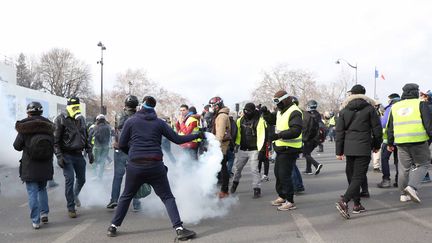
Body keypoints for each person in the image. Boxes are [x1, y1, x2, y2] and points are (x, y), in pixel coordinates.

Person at [107, 96, 204, 241]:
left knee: (126, 196)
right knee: (167, 197)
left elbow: (121, 144)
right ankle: (179, 229)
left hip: (135, 166)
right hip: (155, 165)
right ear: (154, 108)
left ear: (141, 106)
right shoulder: (159, 123)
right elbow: (177, 139)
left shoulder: (131, 121)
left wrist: (133, 154)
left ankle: (113, 227)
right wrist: (197, 135)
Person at [335, 84, 382, 219]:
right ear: (364, 94)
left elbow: (339, 132)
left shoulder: (344, 110)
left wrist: (339, 151)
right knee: (358, 176)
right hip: (363, 146)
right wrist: (376, 145)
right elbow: (377, 130)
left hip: (349, 148)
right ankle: (345, 201)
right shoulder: (370, 109)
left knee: (351, 174)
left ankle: (357, 204)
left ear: (352, 94)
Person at [387, 83, 432, 203]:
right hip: (419, 141)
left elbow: (390, 127)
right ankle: (412, 187)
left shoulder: (395, 107)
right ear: (416, 92)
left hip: (401, 142)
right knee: (424, 164)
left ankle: (403, 194)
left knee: (404, 169)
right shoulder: (421, 104)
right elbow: (428, 124)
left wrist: (390, 143)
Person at [13, 102, 54, 229]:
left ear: (28, 112)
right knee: (42, 189)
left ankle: (36, 221)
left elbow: (17, 146)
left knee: (32, 192)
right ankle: (44, 213)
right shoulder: (49, 127)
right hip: (45, 165)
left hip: (30, 167)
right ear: (41, 112)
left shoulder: (25, 127)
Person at [54, 97, 94, 218]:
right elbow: (55, 140)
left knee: (82, 179)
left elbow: (85, 136)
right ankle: (71, 207)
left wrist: (90, 151)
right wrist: (59, 156)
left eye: (77, 106)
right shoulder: (61, 119)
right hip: (66, 155)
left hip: (78, 155)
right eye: (73, 107)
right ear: (68, 107)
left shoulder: (81, 119)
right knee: (70, 180)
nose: (76, 109)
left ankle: (75, 195)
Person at [263, 90, 303, 211]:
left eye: (279, 102)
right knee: (278, 173)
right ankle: (282, 195)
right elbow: (272, 120)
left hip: (290, 149)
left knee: (284, 175)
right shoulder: (281, 111)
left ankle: (290, 201)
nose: (277, 105)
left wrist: (279, 136)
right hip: (281, 148)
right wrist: (265, 113)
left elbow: (296, 130)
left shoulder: (294, 111)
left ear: (286, 100)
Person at [107, 95, 142, 211]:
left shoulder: (119, 115)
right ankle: (136, 204)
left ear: (125, 105)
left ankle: (114, 200)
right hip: (134, 149)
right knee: (135, 177)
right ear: (135, 106)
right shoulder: (139, 117)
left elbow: (116, 129)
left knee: (117, 176)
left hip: (120, 148)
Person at [230, 103, 267, 198]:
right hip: (242, 148)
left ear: (253, 111)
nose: (246, 112)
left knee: (254, 170)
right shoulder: (240, 120)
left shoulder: (260, 120)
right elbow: (237, 133)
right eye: (245, 110)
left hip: (254, 149)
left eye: (248, 111)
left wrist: (261, 150)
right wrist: (235, 145)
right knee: (237, 169)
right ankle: (234, 184)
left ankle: (256, 189)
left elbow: (262, 136)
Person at [208, 96, 231, 198]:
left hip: (221, 146)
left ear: (218, 105)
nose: (212, 107)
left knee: (223, 169)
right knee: (223, 168)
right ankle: (224, 190)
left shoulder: (221, 116)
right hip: (221, 145)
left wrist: (215, 146)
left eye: (214, 105)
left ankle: (224, 190)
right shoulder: (221, 115)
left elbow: (220, 134)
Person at [377, 93, 400, 188]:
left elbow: (384, 124)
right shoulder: (403, 108)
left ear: (391, 100)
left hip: (388, 140)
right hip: (401, 139)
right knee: (398, 161)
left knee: (384, 159)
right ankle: (399, 180)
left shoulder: (390, 109)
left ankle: (386, 180)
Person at [302, 100, 323, 175]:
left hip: (308, 138)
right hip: (316, 138)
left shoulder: (306, 115)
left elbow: (305, 128)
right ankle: (308, 169)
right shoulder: (317, 114)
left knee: (305, 153)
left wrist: (303, 138)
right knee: (308, 153)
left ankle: (316, 164)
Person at [89, 114, 111, 180]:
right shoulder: (108, 127)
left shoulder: (96, 127)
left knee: (94, 161)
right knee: (102, 161)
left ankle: (95, 175)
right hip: (106, 147)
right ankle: (100, 176)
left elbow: (90, 136)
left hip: (97, 146)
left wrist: (89, 145)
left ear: (97, 120)